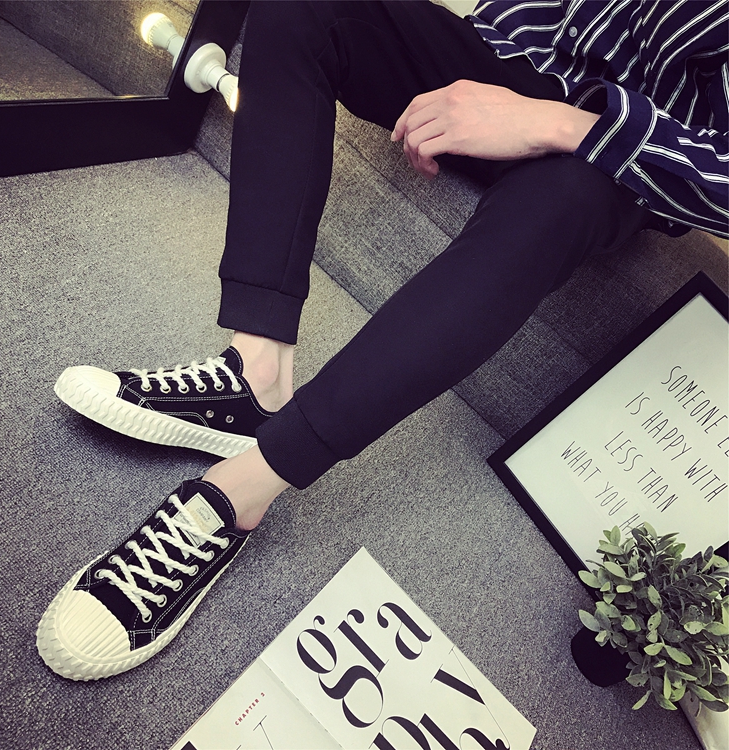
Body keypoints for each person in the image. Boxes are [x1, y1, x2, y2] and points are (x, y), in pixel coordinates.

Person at [36, 0, 728, 681]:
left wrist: (552, 121)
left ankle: (246, 485)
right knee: (304, 10)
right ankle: (256, 373)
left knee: (565, 200)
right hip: (507, 57)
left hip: (623, 150)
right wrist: (484, 88)